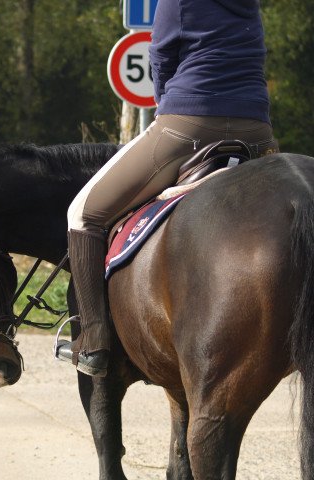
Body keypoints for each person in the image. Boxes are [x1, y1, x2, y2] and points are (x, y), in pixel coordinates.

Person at [55, 0, 279, 377]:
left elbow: (160, 57)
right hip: (257, 130)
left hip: (188, 126)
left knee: (82, 215)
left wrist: (167, 106)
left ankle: (93, 342)